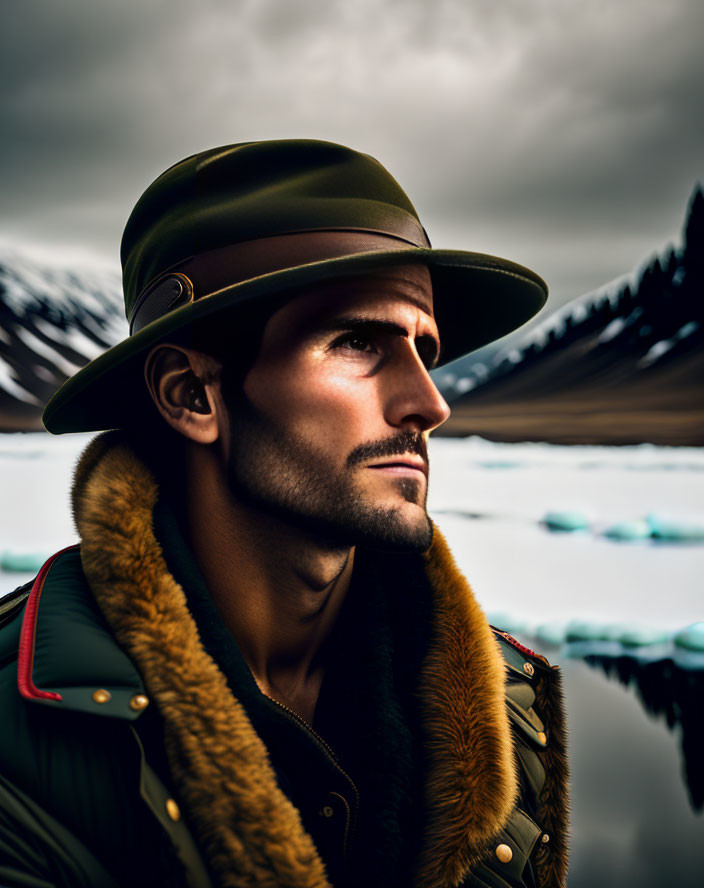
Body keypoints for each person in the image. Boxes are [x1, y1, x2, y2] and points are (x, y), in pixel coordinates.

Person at [0, 140, 568, 888]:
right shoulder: (20, 742)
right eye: (357, 341)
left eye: (424, 350)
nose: (430, 404)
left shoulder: (504, 709)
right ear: (191, 395)